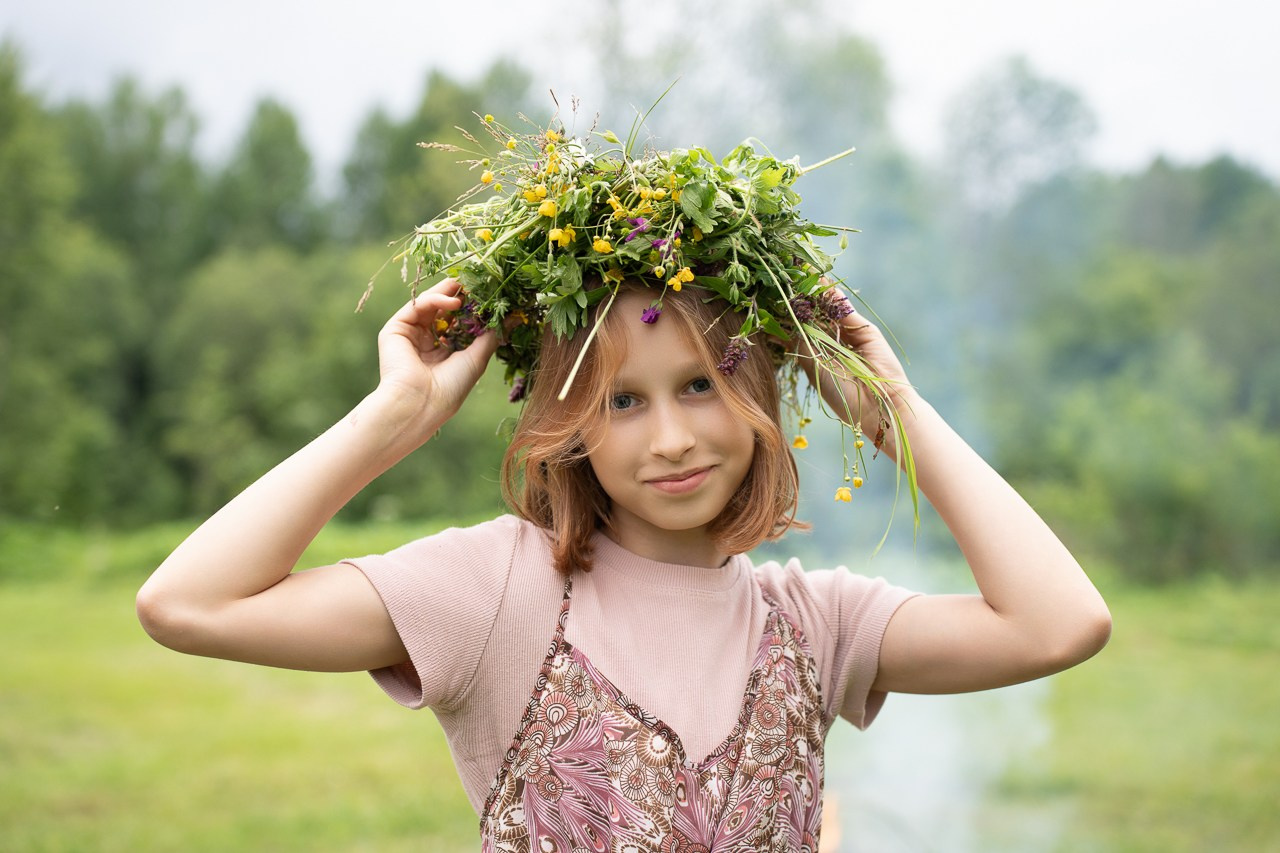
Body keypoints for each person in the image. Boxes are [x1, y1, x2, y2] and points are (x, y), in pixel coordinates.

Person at [137, 121, 1111, 852]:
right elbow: (188, 603)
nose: (674, 437)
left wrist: (889, 410)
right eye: (621, 402)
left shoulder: (815, 626)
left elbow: (1059, 624)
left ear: (761, 389)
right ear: (569, 429)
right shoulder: (498, 592)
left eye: (702, 383)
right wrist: (392, 420)